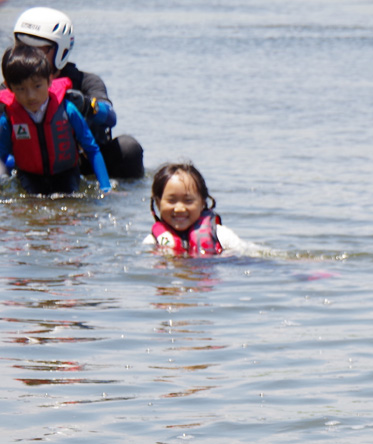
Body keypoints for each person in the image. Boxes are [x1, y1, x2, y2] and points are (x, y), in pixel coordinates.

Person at [12, 6, 143, 178]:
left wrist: (88, 106)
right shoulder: (10, 87)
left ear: (62, 50)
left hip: (84, 160)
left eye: (39, 49)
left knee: (129, 148)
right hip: (31, 163)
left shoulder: (86, 81)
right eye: (23, 48)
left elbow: (110, 117)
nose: (30, 55)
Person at [0, 43, 109, 195]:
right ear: (9, 88)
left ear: (49, 81)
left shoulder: (67, 110)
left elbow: (92, 149)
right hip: (30, 177)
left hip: (66, 173)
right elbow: (1, 155)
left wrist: (106, 188)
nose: (31, 96)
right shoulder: (9, 118)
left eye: (37, 86)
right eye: (21, 89)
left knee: (69, 206)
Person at [143, 161, 246, 257]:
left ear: (202, 202)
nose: (179, 209)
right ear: (157, 203)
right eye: (172, 201)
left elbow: (246, 255)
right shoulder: (152, 242)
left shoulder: (221, 236)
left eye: (188, 201)